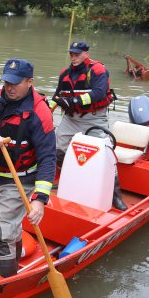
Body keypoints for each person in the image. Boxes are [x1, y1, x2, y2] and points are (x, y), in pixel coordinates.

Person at [0, 58, 56, 278]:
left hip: (20, 178)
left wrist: (39, 199)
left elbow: (48, 158)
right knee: (9, 226)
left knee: (0, 232)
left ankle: (6, 279)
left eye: (15, 83)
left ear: (30, 82)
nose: (9, 87)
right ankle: (9, 263)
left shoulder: (39, 113)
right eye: (7, 81)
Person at [51, 40, 127, 211]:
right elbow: (56, 97)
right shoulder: (65, 73)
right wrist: (44, 112)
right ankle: (66, 180)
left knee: (106, 154)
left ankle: (116, 195)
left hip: (93, 118)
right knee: (58, 148)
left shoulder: (98, 70)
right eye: (71, 54)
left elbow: (99, 93)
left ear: (87, 53)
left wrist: (74, 100)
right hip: (71, 118)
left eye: (77, 54)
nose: (73, 57)